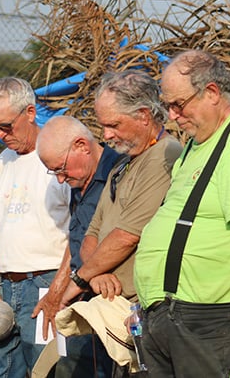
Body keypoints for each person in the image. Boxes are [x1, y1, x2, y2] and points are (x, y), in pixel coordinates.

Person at [133, 49, 230, 376]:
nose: (173, 116)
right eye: (168, 106)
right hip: (171, 321)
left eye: (178, 104)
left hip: (211, 322)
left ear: (213, 93)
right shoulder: (195, 144)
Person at [59, 70, 182, 307]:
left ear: (144, 116)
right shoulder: (123, 161)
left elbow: (127, 236)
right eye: (103, 126)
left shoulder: (164, 156)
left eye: (114, 125)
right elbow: (92, 232)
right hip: (110, 299)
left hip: (141, 304)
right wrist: (96, 274)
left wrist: (82, 278)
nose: (106, 135)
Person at [0, 77, 71, 378]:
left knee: (48, 370)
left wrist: (58, 289)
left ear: (30, 113)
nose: (1, 134)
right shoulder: (3, 160)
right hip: (2, 287)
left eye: (6, 125)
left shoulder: (58, 155)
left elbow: (80, 231)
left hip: (44, 284)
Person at [35, 115, 122, 377]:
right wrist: (58, 290)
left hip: (111, 298)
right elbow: (79, 240)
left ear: (82, 145)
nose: (60, 180)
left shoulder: (119, 174)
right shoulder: (79, 179)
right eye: (54, 172)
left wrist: (96, 272)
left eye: (61, 169)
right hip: (82, 296)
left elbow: (128, 236)